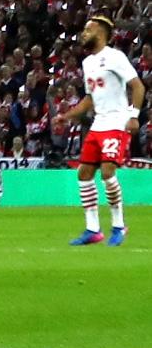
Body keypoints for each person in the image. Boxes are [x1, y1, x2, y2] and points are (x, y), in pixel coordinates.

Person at [61, 14, 142, 246]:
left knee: (107, 172)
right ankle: (93, 229)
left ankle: (119, 225)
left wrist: (133, 116)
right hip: (98, 123)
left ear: (101, 32)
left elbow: (137, 86)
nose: (83, 34)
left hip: (117, 122)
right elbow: (90, 98)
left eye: (88, 30)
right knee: (84, 173)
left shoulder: (115, 57)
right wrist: (67, 116)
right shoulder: (88, 63)